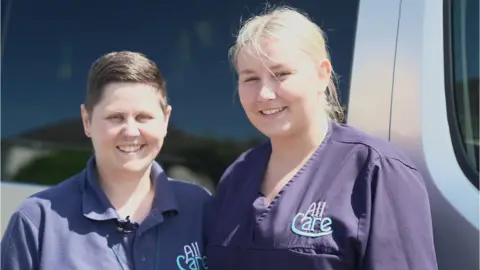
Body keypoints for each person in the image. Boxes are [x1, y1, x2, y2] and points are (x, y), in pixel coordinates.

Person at [204, 6, 438, 270]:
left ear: (322, 74)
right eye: (250, 79)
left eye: (281, 74)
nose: (264, 94)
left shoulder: (376, 169)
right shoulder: (237, 175)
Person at [1, 51, 210, 270]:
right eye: (115, 117)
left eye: (143, 117)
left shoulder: (200, 209)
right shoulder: (37, 221)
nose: (131, 132)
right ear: (87, 120)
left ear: (165, 120)